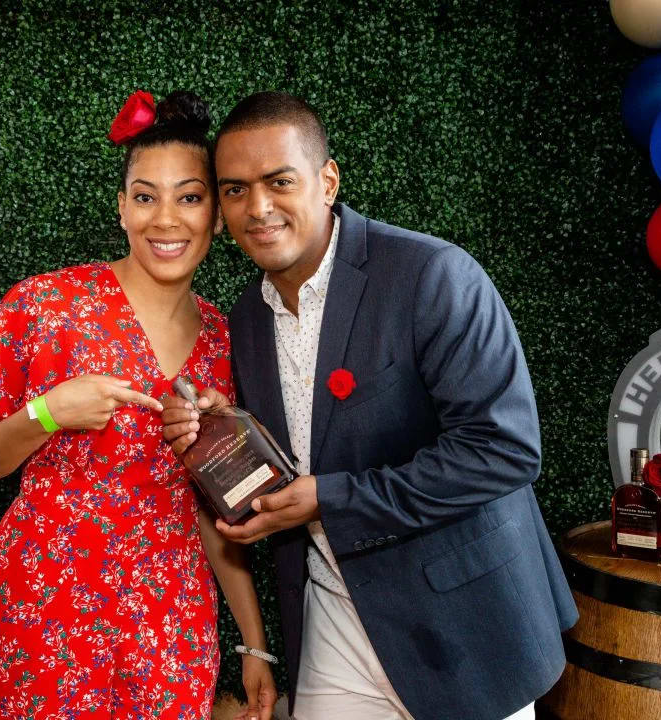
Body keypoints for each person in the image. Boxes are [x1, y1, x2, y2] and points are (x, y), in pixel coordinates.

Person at [163, 91, 577, 720]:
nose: (259, 207)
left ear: (327, 181)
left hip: (461, 627)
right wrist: (227, 425)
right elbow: (311, 444)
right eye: (236, 189)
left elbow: (503, 450)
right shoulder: (247, 317)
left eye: (279, 181)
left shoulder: (432, 274)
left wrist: (333, 500)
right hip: (332, 621)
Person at [0, 90, 276, 720]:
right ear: (122, 207)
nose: (166, 219)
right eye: (145, 197)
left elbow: (214, 510)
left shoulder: (224, 341)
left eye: (189, 197)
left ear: (216, 214)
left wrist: (253, 644)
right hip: (41, 611)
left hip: (169, 624)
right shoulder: (42, 307)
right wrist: (48, 413)